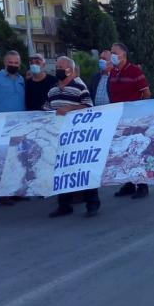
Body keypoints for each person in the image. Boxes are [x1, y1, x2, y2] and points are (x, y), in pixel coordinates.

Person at [44, 56, 100, 218]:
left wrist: (71, 108)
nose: (58, 69)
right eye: (57, 66)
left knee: (83, 169)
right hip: (59, 137)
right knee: (62, 171)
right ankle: (64, 205)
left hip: (78, 137)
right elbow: (46, 109)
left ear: (70, 69)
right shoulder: (52, 89)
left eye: (62, 67)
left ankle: (92, 203)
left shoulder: (79, 87)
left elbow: (89, 107)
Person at [108, 42, 152, 199]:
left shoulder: (135, 71)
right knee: (123, 151)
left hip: (135, 119)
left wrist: (138, 111)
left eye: (114, 52)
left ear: (123, 55)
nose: (111, 55)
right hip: (119, 118)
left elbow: (146, 93)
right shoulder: (113, 72)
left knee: (136, 150)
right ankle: (128, 183)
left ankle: (142, 185)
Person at [0, 51, 26, 205]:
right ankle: (3, 194)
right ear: (5, 62)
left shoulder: (21, 79)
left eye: (16, 63)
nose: (13, 65)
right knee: (3, 159)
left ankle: (16, 191)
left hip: (19, 124)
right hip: (1, 125)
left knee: (17, 158)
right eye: (11, 62)